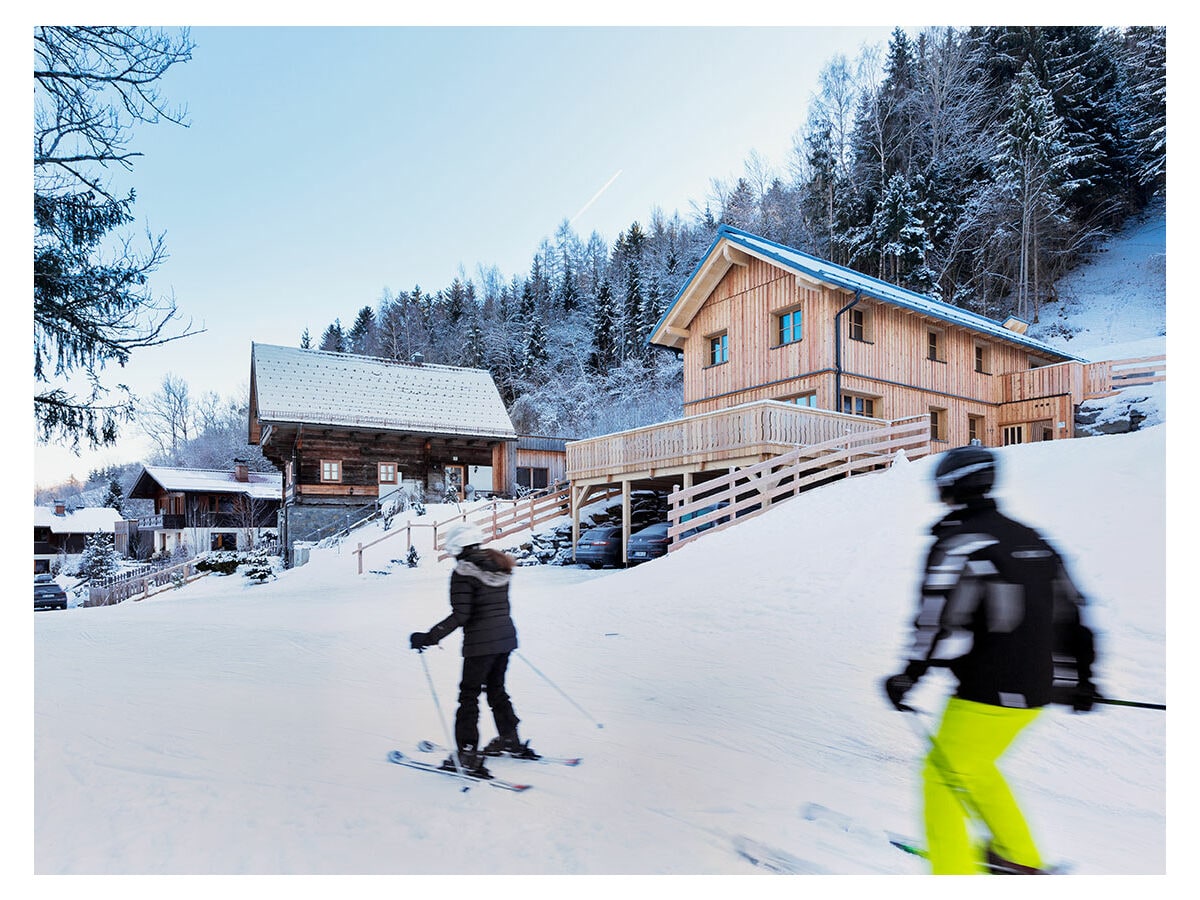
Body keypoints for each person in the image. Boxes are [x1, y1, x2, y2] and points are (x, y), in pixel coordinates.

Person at [883, 445, 1098, 875]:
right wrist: (1081, 679)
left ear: (949, 489)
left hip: (987, 687)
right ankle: (1019, 858)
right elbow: (1072, 612)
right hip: (1037, 687)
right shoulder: (1032, 538)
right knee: (975, 766)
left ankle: (955, 873)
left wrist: (909, 675)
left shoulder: (959, 541)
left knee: (941, 775)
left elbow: (936, 616)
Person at [409, 521, 539, 779]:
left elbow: (461, 615)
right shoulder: (500, 566)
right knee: (496, 691)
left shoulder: (463, 571)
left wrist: (428, 637)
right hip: (505, 641)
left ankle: (467, 753)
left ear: (456, 545)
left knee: (468, 696)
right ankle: (510, 739)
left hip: (480, 645)